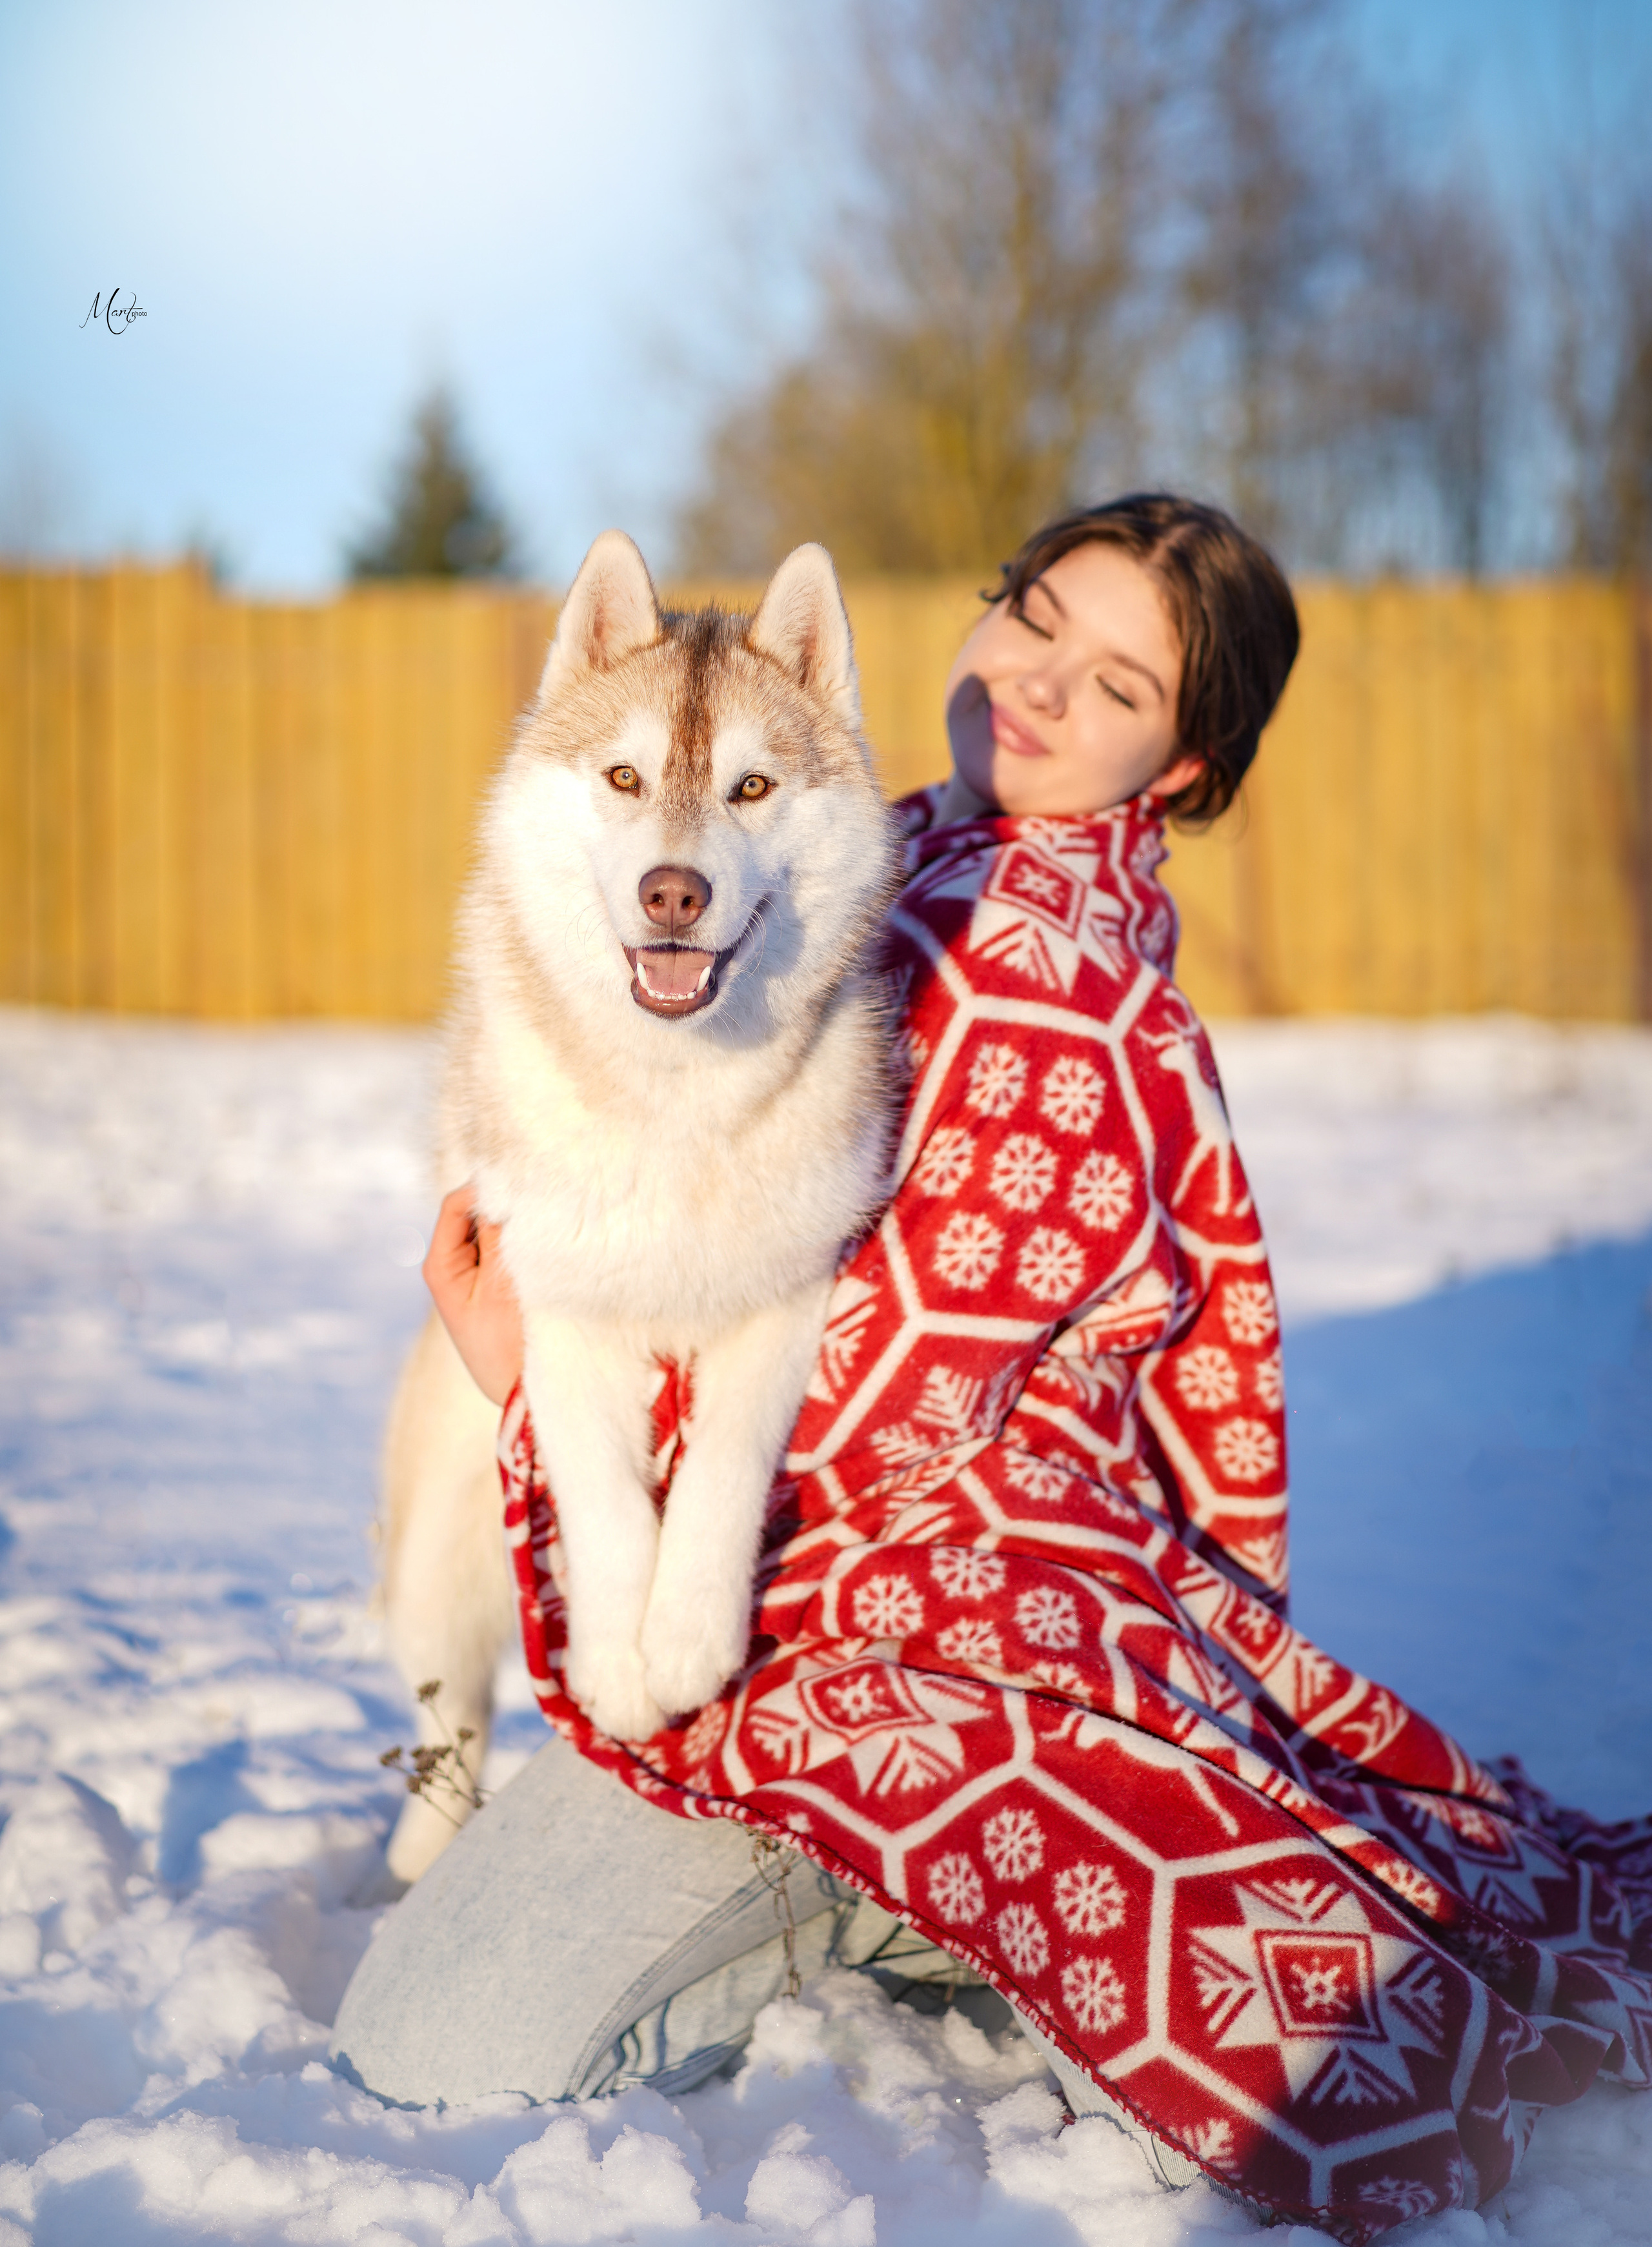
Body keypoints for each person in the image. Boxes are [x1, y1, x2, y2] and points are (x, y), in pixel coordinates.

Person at [331, 496, 1651, 2239]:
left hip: (914, 1671)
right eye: (1034, 616)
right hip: (799, 1608)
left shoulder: (1056, 994)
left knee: (440, 2033)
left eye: (1113, 685)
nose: (1034, 686)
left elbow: (877, 1414)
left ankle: (920, 1904)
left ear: (1179, 769)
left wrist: (525, 1369)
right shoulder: (891, 852)